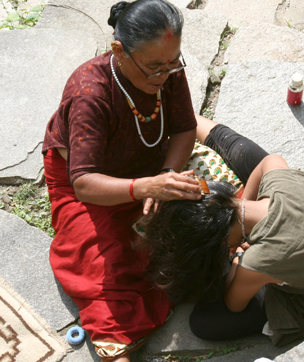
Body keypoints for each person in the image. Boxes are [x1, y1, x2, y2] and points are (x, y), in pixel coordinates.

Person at [42, 1, 202, 360]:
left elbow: (183, 129)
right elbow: (83, 182)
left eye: (172, 62)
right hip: (86, 184)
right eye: (154, 67)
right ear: (119, 50)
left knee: (204, 214)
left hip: (149, 167)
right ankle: (119, 343)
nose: (165, 74)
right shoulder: (89, 92)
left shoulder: (167, 68)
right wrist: (143, 188)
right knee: (104, 264)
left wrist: (165, 176)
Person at [142, 116, 304, 346]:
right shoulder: (281, 182)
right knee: (245, 155)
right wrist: (244, 204)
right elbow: (269, 160)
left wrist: (238, 258)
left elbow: (234, 305)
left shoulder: (255, 264)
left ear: (220, 241)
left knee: (203, 322)